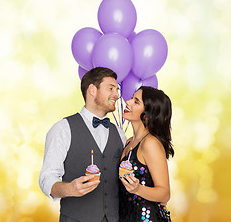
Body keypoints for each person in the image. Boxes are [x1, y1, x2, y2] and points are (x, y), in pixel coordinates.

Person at [39, 67, 127, 222]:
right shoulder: (62, 129)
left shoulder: (119, 133)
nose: (117, 94)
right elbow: (47, 177)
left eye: (117, 89)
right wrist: (70, 189)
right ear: (92, 90)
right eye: (111, 88)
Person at [119, 86, 174, 222]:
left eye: (136, 101)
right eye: (132, 98)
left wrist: (137, 189)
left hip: (146, 218)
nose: (128, 102)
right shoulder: (129, 142)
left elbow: (164, 193)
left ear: (148, 115)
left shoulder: (150, 143)